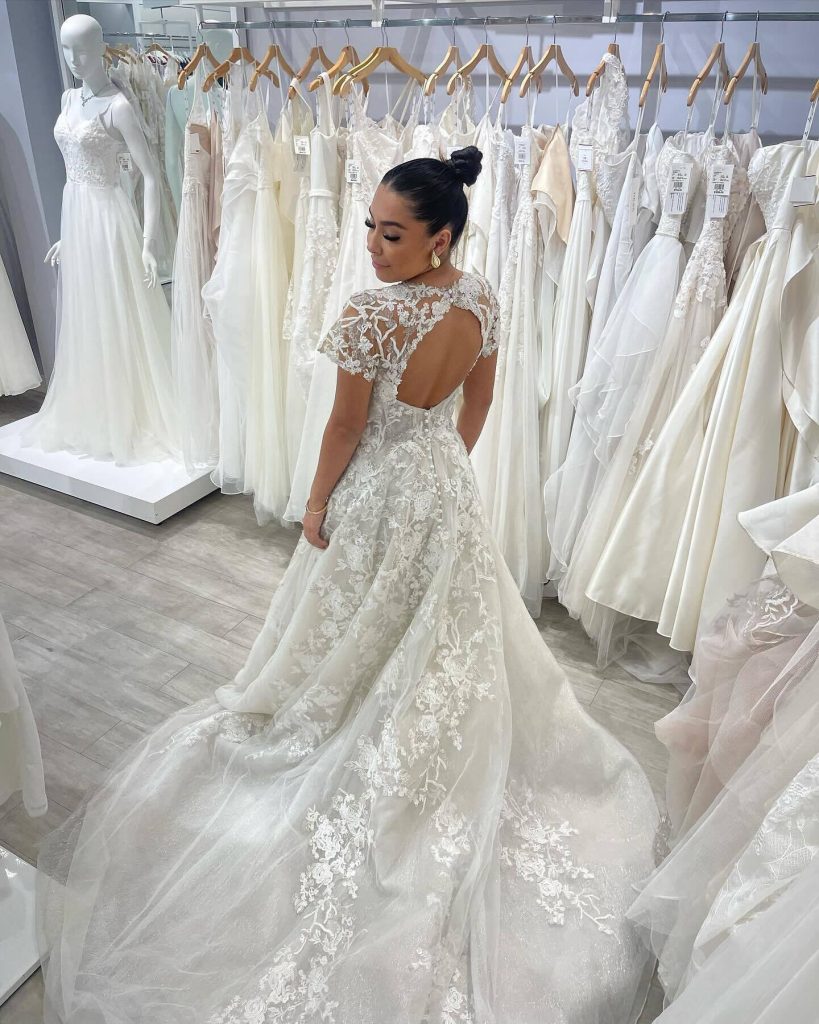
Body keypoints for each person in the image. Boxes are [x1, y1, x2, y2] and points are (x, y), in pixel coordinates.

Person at [36, 147, 661, 1024]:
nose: (371, 244)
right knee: (438, 626)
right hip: (442, 483)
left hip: (376, 486)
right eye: (369, 226)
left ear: (440, 237)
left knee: (355, 625)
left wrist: (319, 500)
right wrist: (443, 463)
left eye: (392, 232)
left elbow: (343, 424)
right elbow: (478, 400)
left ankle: (351, 723)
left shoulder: (372, 315)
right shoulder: (481, 297)